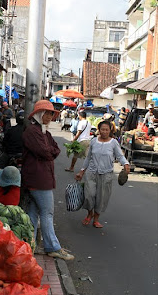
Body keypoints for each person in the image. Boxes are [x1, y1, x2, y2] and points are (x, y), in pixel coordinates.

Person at [22, 100, 74, 261]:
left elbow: (55, 149)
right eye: (49, 113)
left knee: (34, 213)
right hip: (38, 178)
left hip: (41, 177)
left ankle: (31, 245)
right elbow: (45, 152)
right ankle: (52, 246)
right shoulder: (32, 132)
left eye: (52, 113)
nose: (51, 116)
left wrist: (49, 152)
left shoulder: (45, 133)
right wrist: (50, 152)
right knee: (47, 212)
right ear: (40, 114)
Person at [75, 120, 130, 228]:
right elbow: (88, 157)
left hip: (106, 174)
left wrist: (126, 164)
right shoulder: (94, 141)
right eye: (102, 129)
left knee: (101, 198)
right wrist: (82, 171)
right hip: (91, 172)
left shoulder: (113, 143)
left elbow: (120, 156)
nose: (104, 132)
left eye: (107, 130)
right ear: (99, 130)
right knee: (89, 195)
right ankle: (89, 213)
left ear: (110, 131)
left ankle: (96, 219)